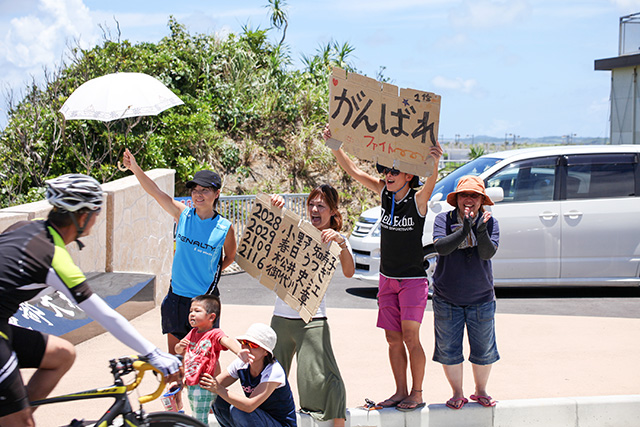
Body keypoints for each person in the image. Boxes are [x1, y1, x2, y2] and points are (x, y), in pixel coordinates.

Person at [0, 174, 181, 427]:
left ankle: (12, 412)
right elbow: (106, 316)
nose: (97, 217)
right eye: (97, 211)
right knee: (22, 424)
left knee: (61, 354)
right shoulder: (54, 257)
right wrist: (152, 353)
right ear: (83, 216)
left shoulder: (24, 227)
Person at [323, 125, 443, 411]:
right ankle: (400, 391)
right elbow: (353, 171)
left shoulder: (418, 199)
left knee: (411, 337)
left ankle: (417, 392)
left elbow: (431, 182)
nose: (388, 176)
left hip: (413, 280)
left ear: (408, 176)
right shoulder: (384, 194)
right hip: (387, 280)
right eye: (386, 171)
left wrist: (435, 161)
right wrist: (334, 145)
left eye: (394, 172)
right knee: (392, 339)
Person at [122, 149, 237, 353]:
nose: (198, 194)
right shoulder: (182, 214)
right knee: (176, 358)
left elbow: (230, 256)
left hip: (205, 300)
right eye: (195, 190)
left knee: (204, 360)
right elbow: (155, 191)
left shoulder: (224, 227)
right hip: (176, 296)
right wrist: (134, 168)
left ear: (217, 193)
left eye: (205, 190)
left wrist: (211, 273)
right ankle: (177, 386)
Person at [269, 184, 354, 426]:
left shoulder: (337, 239)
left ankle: (337, 423)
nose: (314, 209)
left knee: (325, 377)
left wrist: (341, 243)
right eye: (311, 204)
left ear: (333, 212)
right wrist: (275, 209)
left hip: (313, 319)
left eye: (321, 206)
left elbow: (349, 272)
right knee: (269, 376)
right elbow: (271, 239)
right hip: (281, 317)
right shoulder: (297, 228)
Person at [431, 175, 500, 410]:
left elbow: (487, 253)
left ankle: (481, 391)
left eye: (474, 195)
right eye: (464, 195)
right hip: (446, 297)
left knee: (484, 349)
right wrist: (464, 230)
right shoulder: (444, 219)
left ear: (482, 200)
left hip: (481, 297)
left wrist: (480, 231)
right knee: (449, 350)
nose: (468, 199)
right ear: (457, 199)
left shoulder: (490, 222)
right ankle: (457, 392)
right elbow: (441, 247)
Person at [175, 294, 253, 423]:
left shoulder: (214, 333)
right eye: (190, 311)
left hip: (203, 384)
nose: (192, 314)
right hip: (192, 382)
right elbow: (178, 350)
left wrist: (239, 351)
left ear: (211, 317)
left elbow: (226, 340)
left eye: (197, 311)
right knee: (196, 414)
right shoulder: (193, 333)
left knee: (199, 418)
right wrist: (179, 346)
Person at [201, 323, 297, 427]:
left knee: (239, 410)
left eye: (253, 345)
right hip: (257, 419)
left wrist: (218, 389)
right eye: (244, 342)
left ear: (266, 351)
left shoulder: (274, 371)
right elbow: (214, 384)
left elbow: (249, 406)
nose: (246, 348)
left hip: (280, 424)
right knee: (216, 397)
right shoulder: (241, 364)